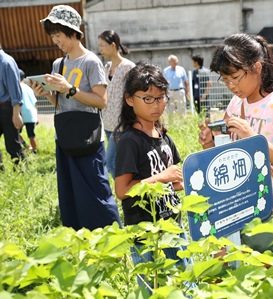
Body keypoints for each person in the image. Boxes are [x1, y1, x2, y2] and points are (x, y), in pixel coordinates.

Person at [197, 33, 273, 255]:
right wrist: (209, 142)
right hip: (238, 206)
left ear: (257, 68)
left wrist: (253, 137)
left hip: (270, 209)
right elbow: (225, 154)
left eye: (236, 77)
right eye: (225, 79)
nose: (231, 85)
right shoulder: (235, 104)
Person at [32, 5, 122, 231]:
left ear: (73, 31)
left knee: (96, 189)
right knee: (71, 190)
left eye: (59, 35)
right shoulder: (58, 64)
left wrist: (69, 88)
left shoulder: (91, 62)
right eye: (53, 36)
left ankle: (111, 236)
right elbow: (62, 104)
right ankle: (80, 237)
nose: (56, 41)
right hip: (66, 137)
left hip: (89, 138)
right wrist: (47, 94)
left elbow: (101, 101)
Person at [114, 61, 190, 289]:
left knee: (184, 281)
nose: (156, 105)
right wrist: (162, 177)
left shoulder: (163, 136)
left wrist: (181, 182)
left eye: (161, 98)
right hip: (145, 233)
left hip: (172, 224)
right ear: (130, 99)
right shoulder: (130, 141)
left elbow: (174, 181)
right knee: (152, 288)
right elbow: (122, 190)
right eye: (147, 99)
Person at [98, 29, 135, 178]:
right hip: (107, 122)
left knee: (110, 162)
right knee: (119, 161)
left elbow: (133, 95)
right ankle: (127, 190)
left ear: (113, 45)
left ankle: (124, 192)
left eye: (102, 45)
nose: (99, 49)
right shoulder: (105, 67)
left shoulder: (128, 67)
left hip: (122, 124)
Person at [0, 44, 25, 170]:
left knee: (12, 144)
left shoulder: (6, 62)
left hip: (7, 108)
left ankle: (22, 172)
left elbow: (15, 90)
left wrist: (16, 113)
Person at [19, 69, 38, 154]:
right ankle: (34, 150)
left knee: (15, 133)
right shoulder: (29, 88)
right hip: (31, 114)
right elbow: (35, 103)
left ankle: (25, 146)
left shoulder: (16, 88)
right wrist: (37, 116)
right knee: (31, 134)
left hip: (20, 113)